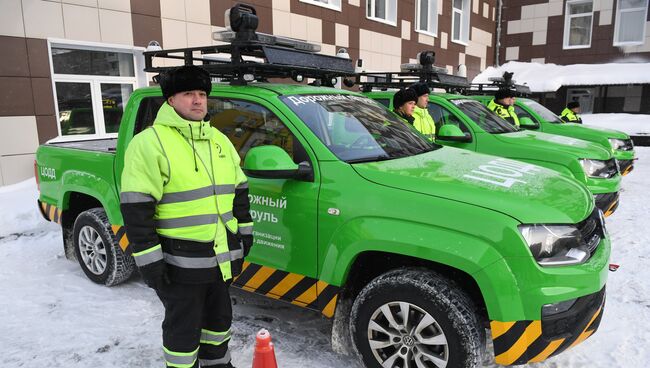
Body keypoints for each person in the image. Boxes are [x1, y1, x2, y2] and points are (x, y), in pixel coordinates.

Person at [120, 65, 253, 368]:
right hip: (179, 263)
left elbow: (239, 191)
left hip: (220, 258)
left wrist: (245, 234)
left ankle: (218, 365)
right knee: (183, 331)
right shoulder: (149, 143)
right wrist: (150, 261)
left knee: (218, 323)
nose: (197, 101)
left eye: (202, 94)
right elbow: (137, 209)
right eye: (188, 94)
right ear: (170, 100)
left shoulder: (219, 140)